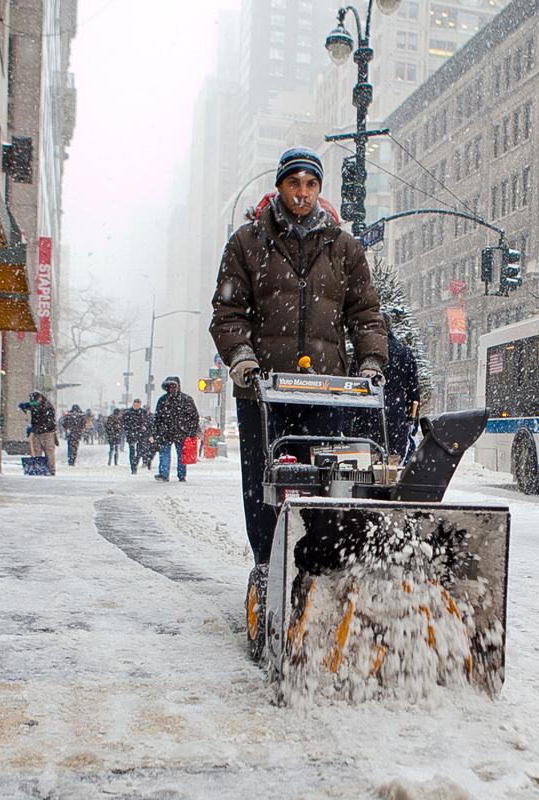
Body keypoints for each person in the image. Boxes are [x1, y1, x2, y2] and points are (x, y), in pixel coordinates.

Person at [209, 146, 386, 573]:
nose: (302, 193)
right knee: (262, 482)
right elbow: (228, 313)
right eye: (294, 184)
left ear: (319, 189)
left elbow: (365, 315)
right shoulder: (247, 243)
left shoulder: (344, 247)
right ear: (280, 187)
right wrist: (243, 359)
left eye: (310, 185)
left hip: (326, 392)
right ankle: (268, 565)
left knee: (326, 484)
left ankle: (314, 567)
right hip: (263, 391)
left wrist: (371, 363)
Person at [379, 311, 422, 460]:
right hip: (396, 415)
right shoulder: (404, 353)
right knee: (393, 463)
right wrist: (413, 421)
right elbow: (413, 392)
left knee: (367, 464)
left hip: (369, 416)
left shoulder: (367, 355)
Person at [150, 377, 199, 482]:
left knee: (181, 455)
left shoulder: (185, 399)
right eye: (169, 386)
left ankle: (181, 475)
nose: (171, 388)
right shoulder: (164, 400)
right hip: (167, 432)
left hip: (180, 432)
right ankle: (164, 474)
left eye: (173, 386)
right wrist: (156, 431)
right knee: (165, 453)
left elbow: (194, 416)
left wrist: (191, 430)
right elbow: (157, 418)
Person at [18, 392, 57, 475]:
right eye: (32, 401)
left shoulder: (47, 407)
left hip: (47, 433)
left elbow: (47, 422)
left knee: (49, 452)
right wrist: (25, 406)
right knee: (36, 451)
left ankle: (51, 470)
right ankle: (37, 468)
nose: (33, 403)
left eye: (35, 401)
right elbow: (32, 406)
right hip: (36, 433)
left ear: (40, 398)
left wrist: (34, 427)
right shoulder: (35, 404)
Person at [120, 398, 150, 474]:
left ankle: (136, 462)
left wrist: (145, 429)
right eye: (135, 404)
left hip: (141, 435)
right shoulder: (128, 412)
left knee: (140, 451)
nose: (136, 406)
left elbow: (147, 422)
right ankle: (133, 467)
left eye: (138, 405)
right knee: (132, 451)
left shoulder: (143, 412)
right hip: (131, 434)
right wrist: (128, 430)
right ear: (133, 404)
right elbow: (123, 423)